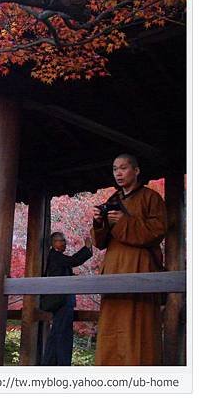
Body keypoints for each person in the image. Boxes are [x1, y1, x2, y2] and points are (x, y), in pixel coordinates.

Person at [91, 153, 167, 365]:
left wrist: (125, 221)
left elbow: (158, 231)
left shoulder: (151, 198)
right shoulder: (113, 200)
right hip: (114, 266)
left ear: (136, 170)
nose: (118, 173)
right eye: (115, 169)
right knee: (112, 323)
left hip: (139, 265)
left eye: (123, 168)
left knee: (138, 321)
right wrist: (99, 223)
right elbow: (100, 242)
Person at [40, 232, 92, 366]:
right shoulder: (56, 256)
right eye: (61, 240)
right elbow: (74, 261)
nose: (64, 243)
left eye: (64, 240)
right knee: (62, 334)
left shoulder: (56, 258)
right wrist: (86, 248)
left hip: (60, 300)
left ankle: (50, 363)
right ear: (53, 243)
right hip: (62, 300)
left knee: (58, 332)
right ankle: (61, 364)